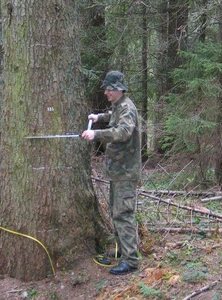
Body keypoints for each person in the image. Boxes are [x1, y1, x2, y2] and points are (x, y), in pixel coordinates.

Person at [81, 70, 141, 275]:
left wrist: (95, 134)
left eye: (109, 89)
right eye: (106, 89)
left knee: (123, 214)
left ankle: (131, 261)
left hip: (126, 172)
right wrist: (99, 117)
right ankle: (122, 250)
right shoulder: (119, 107)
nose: (106, 92)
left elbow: (123, 132)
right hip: (118, 171)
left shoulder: (127, 108)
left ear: (118, 89)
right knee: (117, 212)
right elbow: (113, 117)